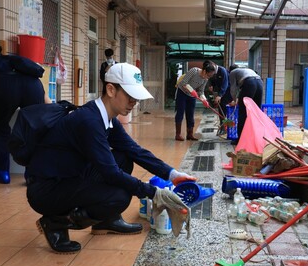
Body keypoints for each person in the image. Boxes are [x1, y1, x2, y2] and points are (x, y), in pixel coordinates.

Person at [26, 63, 196, 253]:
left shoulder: (106, 117)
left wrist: (172, 174)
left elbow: (134, 150)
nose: (134, 102)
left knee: (124, 157)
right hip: (46, 189)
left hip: (69, 174)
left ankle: (105, 221)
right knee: (119, 196)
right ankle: (55, 222)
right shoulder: (89, 121)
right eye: (130, 96)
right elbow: (111, 173)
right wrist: (155, 193)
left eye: (136, 98)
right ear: (111, 89)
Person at [0, 44, 50, 184]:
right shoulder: (15, 60)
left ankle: (3, 174)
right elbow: (45, 98)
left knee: (0, 129)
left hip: (5, 87)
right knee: (33, 129)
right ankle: (31, 175)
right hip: (33, 86)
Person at [174, 60, 216, 141]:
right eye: (207, 75)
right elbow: (183, 82)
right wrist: (192, 90)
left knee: (190, 114)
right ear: (204, 70)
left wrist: (204, 100)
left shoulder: (205, 79)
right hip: (182, 93)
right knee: (180, 112)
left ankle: (190, 134)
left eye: (209, 76)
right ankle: (178, 134)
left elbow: (201, 91)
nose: (207, 77)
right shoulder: (194, 71)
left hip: (191, 96)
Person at [228, 64, 263, 145]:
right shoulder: (246, 69)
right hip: (260, 82)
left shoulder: (232, 73)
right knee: (257, 113)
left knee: (243, 114)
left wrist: (234, 101)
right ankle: (257, 139)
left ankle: (240, 140)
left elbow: (233, 89)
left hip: (249, 83)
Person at [208, 64, 231, 134]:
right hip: (220, 92)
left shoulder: (222, 71)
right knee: (221, 110)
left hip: (227, 92)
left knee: (224, 110)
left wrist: (220, 95)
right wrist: (212, 85)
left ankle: (228, 127)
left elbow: (225, 84)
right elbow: (213, 80)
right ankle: (223, 127)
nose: (211, 75)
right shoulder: (215, 73)